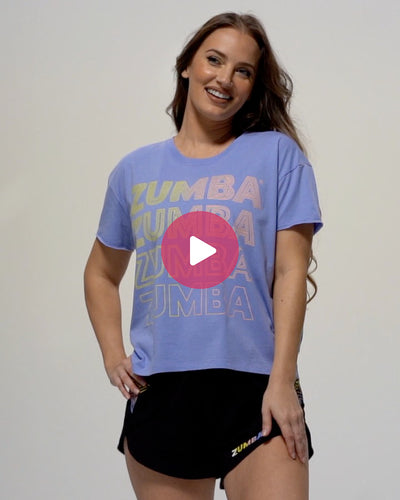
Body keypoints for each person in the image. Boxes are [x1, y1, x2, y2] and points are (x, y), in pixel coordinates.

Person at [84, 11, 322, 500]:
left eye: (243, 70)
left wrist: (282, 380)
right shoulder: (134, 171)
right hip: (163, 395)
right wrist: (112, 355)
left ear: (253, 86)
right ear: (187, 65)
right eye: (214, 60)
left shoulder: (277, 156)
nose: (225, 78)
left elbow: (290, 272)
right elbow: (101, 274)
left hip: (257, 391)